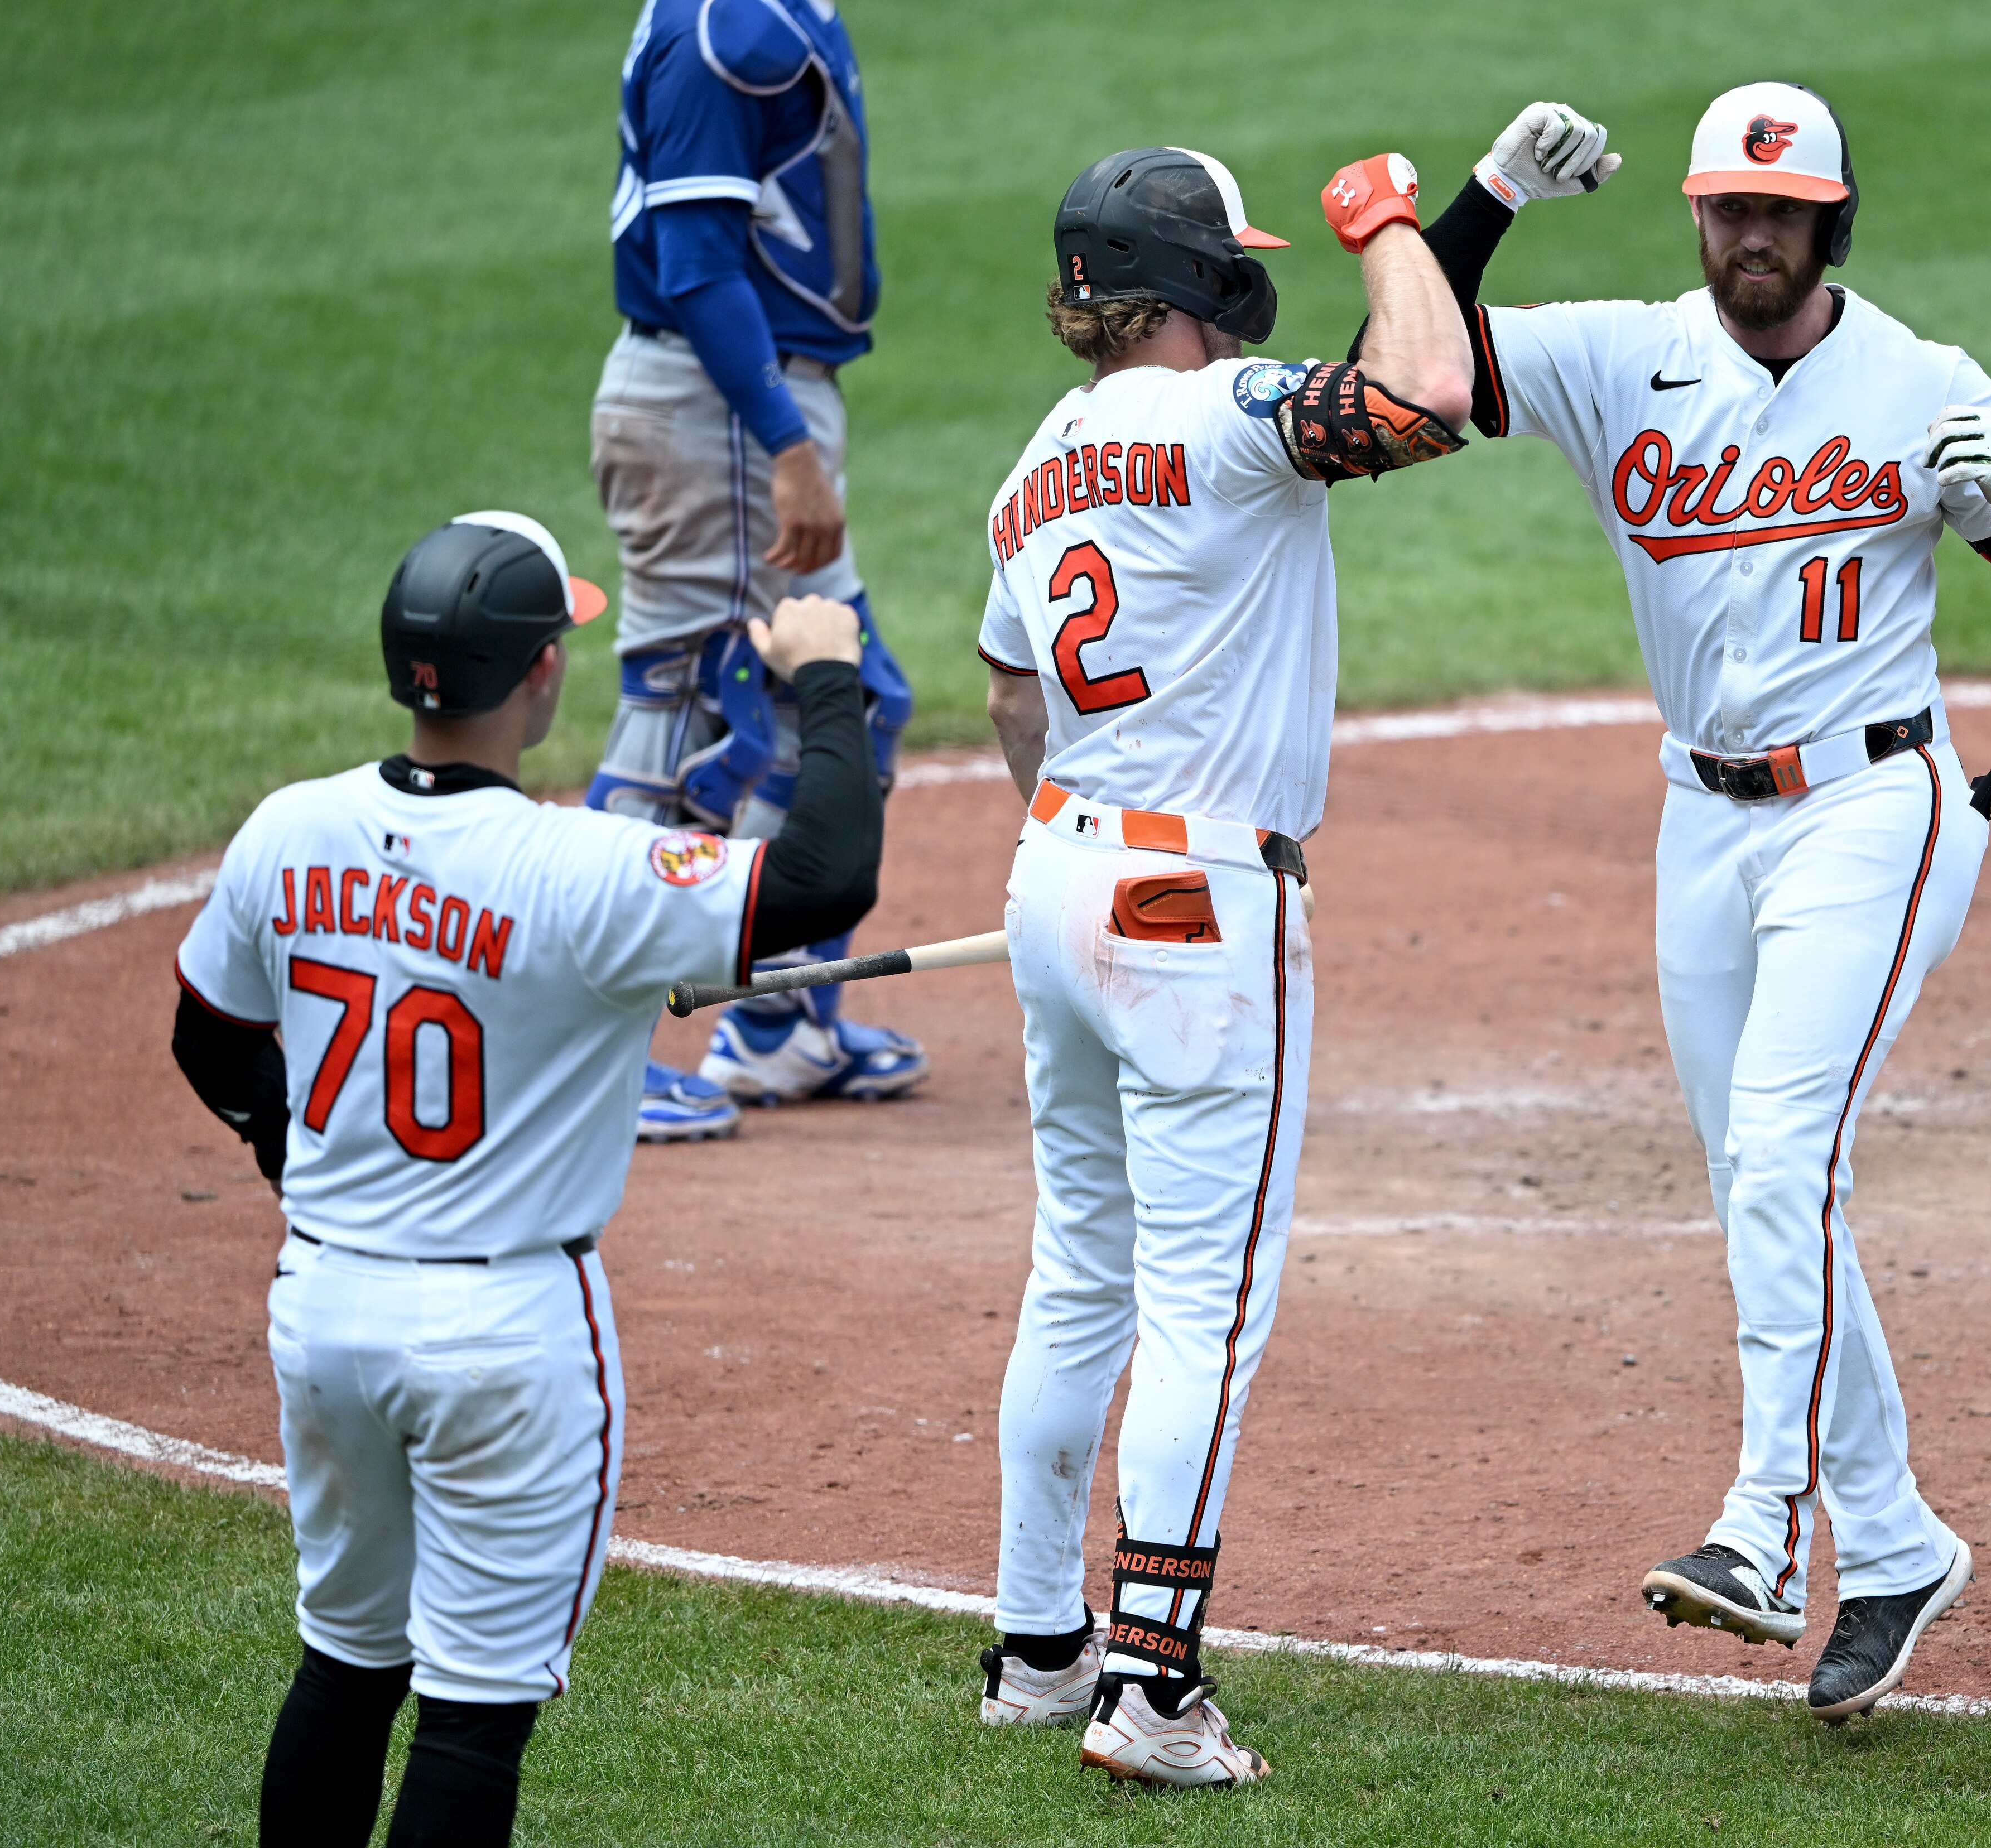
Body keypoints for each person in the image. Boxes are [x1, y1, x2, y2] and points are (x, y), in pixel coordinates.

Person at [1407, 84, 1991, 1720]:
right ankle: (1896, 1544)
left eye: (1780, 213)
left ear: (1831, 223)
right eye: (1728, 207)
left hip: (1880, 803)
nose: (1750, 235)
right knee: (1766, 1184)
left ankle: (1766, 1529)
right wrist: (1488, 198)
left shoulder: (1923, 386)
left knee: (1782, 1152)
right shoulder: (1621, 355)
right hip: (1702, 820)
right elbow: (1417, 368)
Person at [967, 131, 1579, 1785]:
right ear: (1199, 283)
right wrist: (1387, 212)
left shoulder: (1038, 458)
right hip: (1200, 912)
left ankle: (1038, 1649)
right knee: (1203, 1312)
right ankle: (1153, 1692)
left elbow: (1017, 699)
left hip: (1059, 878)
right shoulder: (1231, 423)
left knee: (1082, 1271)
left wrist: (1490, 211)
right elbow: (1422, 397)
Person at [169, 513, 882, 1845]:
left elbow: (206, 1034)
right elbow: (828, 873)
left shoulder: (288, 829)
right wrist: (826, 673)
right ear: (545, 672)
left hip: (324, 1306)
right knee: (474, 1713)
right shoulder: (582, 873)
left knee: (347, 1660)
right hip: (506, 1339)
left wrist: (297, 1165)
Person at [591, 0, 923, 1141]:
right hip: (723, 415)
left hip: (743, 409)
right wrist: (786, 443)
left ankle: (781, 1030)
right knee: (682, 727)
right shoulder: (727, 37)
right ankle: (590, 1060)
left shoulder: (775, 17)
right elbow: (692, 267)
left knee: (851, 704)